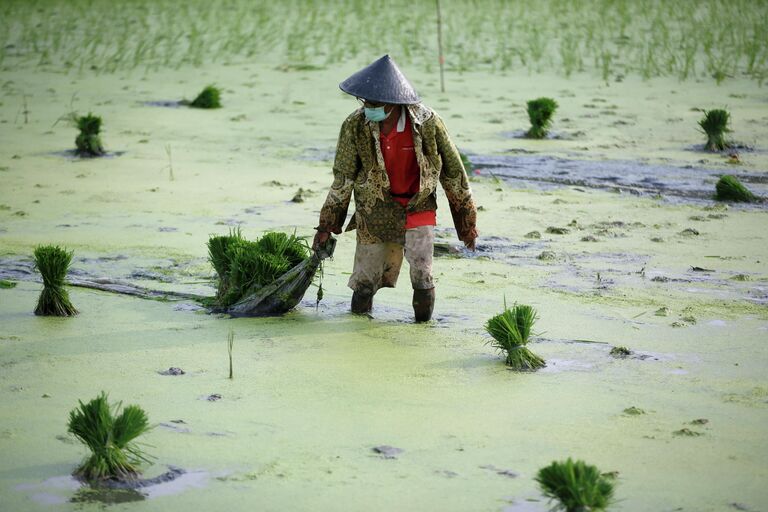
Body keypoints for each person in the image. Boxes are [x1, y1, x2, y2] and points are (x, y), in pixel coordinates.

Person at [313, 55, 477, 322]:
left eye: (375, 103)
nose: (369, 107)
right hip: (374, 208)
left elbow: (454, 173)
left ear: (394, 103)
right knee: (364, 280)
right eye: (365, 102)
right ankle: (360, 329)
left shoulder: (427, 123)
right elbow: (343, 179)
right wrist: (326, 226)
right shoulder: (355, 126)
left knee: (422, 275)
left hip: (418, 205)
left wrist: (466, 225)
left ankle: (422, 329)